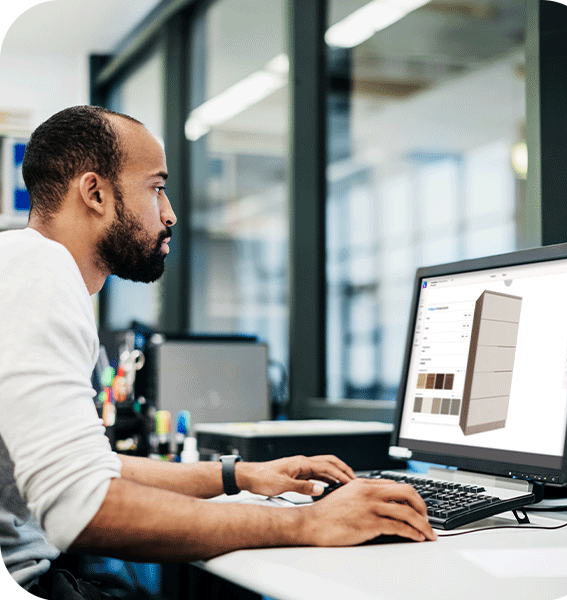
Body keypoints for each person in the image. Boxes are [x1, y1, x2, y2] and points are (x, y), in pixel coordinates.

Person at [0, 105, 436, 599]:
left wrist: (240, 475)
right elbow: (84, 505)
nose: (170, 214)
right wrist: (310, 524)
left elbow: (95, 468)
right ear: (95, 193)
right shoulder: (38, 274)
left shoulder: (28, 272)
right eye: (156, 188)